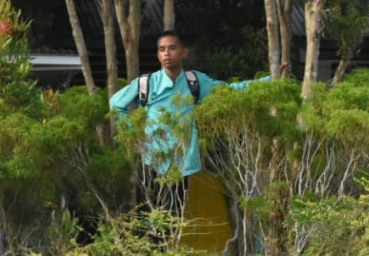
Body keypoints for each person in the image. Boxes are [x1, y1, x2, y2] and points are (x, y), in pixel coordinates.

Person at [108, 29, 262, 213]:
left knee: (175, 220)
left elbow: (229, 91)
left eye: (172, 48)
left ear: (183, 52)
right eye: (162, 49)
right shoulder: (146, 83)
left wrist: (270, 80)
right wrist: (135, 135)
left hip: (183, 165)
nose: (167, 53)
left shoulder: (194, 82)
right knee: (149, 222)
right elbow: (116, 105)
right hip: (152, 163)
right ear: (158, 55)